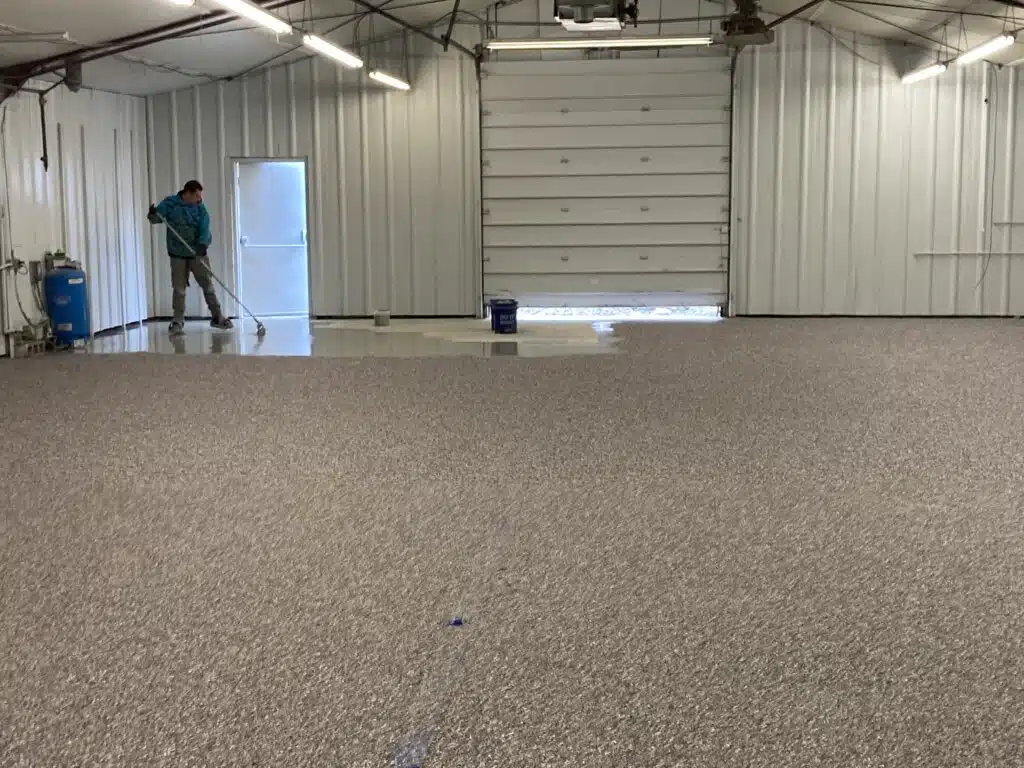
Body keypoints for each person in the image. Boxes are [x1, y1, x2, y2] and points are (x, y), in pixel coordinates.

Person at [147, 180, 233, 336]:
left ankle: (217, 317)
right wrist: (153, 213)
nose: (199, 199)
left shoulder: (200, 208)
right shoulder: (171, 203)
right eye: (197, 196)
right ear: (188, 193)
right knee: (179, 289)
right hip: (177, 254)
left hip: (197, 253)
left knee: (208, 286)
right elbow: (156, 219)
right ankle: (177, 322)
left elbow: (205, 227)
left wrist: (202, 244)